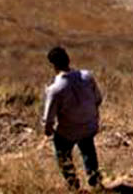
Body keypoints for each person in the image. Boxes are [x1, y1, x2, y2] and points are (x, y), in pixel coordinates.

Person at [41, 46, 103, 190]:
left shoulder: (54, 90)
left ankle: (73, 185)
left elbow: (48, 122)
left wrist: (48, 131)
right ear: (68, 60)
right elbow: (98, 100)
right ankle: (95, 181)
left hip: (68, 131)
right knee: (88, 148)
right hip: (89, 126)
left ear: (52, 65)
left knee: (62, 154)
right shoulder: (88, 76)